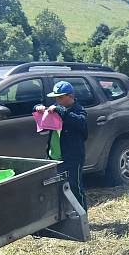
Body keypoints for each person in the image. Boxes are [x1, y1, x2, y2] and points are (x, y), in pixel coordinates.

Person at [34, 80, 88, 209]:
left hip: (72, 158)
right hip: (54, 157)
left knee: (75, 188)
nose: (57, 100)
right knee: (56, 189)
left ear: (71, 96)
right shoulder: (55, 109)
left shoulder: (79, 110)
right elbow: (44, 122)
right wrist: (37, 108)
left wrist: (62, 111)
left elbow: (81, 124)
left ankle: (82, 220)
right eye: (56, 98)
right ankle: (65, 218)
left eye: (60, 97)